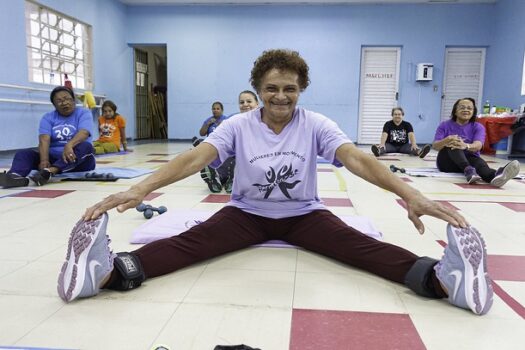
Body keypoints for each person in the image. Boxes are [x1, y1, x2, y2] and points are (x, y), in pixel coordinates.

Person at [58, 49, 493, 317]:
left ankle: (443, 281)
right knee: (187, 246)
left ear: (301, 88)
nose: (280, 96)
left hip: (305, 216)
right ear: (257, 88)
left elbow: (357, 159)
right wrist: (139, 188)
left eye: (289, 88)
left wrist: (410, 193)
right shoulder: (238, 125)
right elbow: (196, 158)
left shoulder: (315, 123)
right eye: (271, 88)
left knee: (364, 252)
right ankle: (106, 274)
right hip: (245, 214)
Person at [0, 86, 95, 188]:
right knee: (23, 154)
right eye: (59, 101)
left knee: (86, 146)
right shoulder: (48, 117)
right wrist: (44, 160)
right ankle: (15, 177)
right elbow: (44, 139)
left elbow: (84, 132)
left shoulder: (84, 113)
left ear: (74, 100)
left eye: (67, 98)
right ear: (54, 105)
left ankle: (49, 172)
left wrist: (69, 145)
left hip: (78, 160)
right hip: (53, 159)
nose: (64, 103)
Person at [432, 97, 520, 186]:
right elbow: (435, 146)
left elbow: (478, 145)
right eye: (462, 107)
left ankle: (495, 176)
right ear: (455, 111)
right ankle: (468, 169)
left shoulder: (478, 127)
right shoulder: (444, 125)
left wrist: (466, 146)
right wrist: (447, 139)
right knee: (454, 143)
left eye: (469, 108)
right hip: (447, 163)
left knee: (480, 165)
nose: (466, 110)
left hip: (470, 159)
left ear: (473, 112)